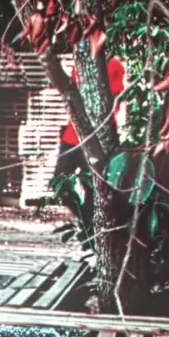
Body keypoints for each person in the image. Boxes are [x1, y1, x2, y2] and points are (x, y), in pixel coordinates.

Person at [54, 56, 126, 243]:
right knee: (59, 184)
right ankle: (85, 222)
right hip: (72, 136)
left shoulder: (114, 64)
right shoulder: (79, 63)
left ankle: (90, 234)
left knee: (93, 189)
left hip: (97, 139)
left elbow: (115, 101)